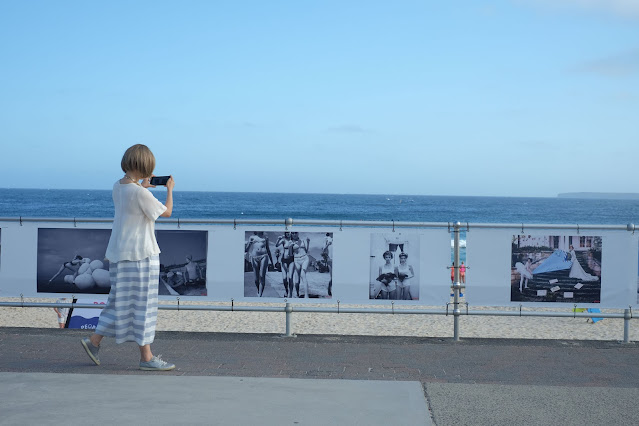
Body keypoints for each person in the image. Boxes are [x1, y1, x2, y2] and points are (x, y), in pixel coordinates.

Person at [80, 144, 176, 371]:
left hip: (118, 254)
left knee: (118, 302)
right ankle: (146, 358)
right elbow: (167, 212)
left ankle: (94, 342)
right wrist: (170, 189)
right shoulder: (140, 193)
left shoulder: (118, 186)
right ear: (145, 165)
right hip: (141, 254)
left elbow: (132, 203)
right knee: (144, 306)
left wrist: (142, 185)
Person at [245, 231, 274, 297]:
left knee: (262, 276)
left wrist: (272, 261)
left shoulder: (265, 237)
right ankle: (259, 290)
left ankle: (260, 295)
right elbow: (246, 250)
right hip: (254, 257)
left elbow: (268, 249)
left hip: (264, 256)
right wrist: (249, 243)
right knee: (256, 279)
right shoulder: (252, 237)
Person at [291, 232, 311, 298]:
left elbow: (306, 250)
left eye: (295, 233)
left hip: (305, 258)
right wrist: (290, 246)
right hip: (296, 260)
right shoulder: (290, 242)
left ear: (298, 233)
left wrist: (308, 242)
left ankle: (306, 295)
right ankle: (297, 293)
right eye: (293, 233)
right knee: (297, 280)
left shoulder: (302, 240)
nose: (294, 234)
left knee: (303, 275)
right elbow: (290, 254)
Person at [276, 232, 295, 297]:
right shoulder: (283, 240)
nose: (288, 234)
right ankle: (286, 290)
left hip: (291, 260)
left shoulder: (293, 240)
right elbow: (277, 245)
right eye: (287, 232)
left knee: (290, 277)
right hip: (283, 260)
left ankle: (291, 294)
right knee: (284, 278)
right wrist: (278, 239)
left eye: (289, 232)